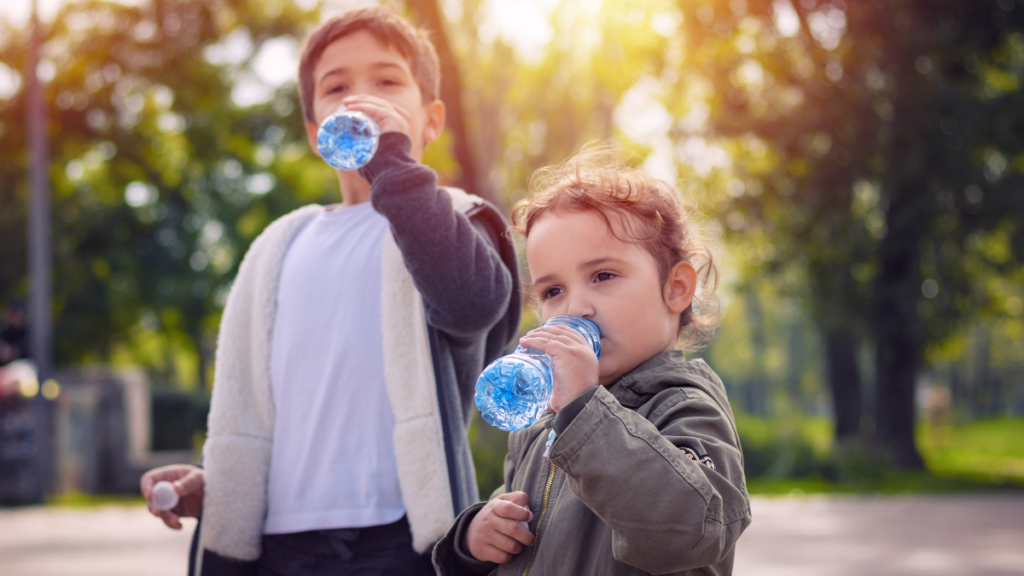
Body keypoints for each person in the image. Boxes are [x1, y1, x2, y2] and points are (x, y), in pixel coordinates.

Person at [140, 7, 520, 575]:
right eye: (336, 86)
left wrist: (392, 160)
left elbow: (472, 302)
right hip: (278, 545)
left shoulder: (454, 221)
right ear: (317, 134)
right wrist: (218, 485)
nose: (360, 98)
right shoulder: (277, 249)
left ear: (431, 118)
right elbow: (269, 406)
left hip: (400, 541)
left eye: (387, 81)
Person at [432, 145, 751, 576]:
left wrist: (585, 410)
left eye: (603, 276)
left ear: (676, 288)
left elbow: (694, 528)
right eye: (552, 291)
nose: (574, 308)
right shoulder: (542, 426)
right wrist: (473, 539)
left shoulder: (683, 405)